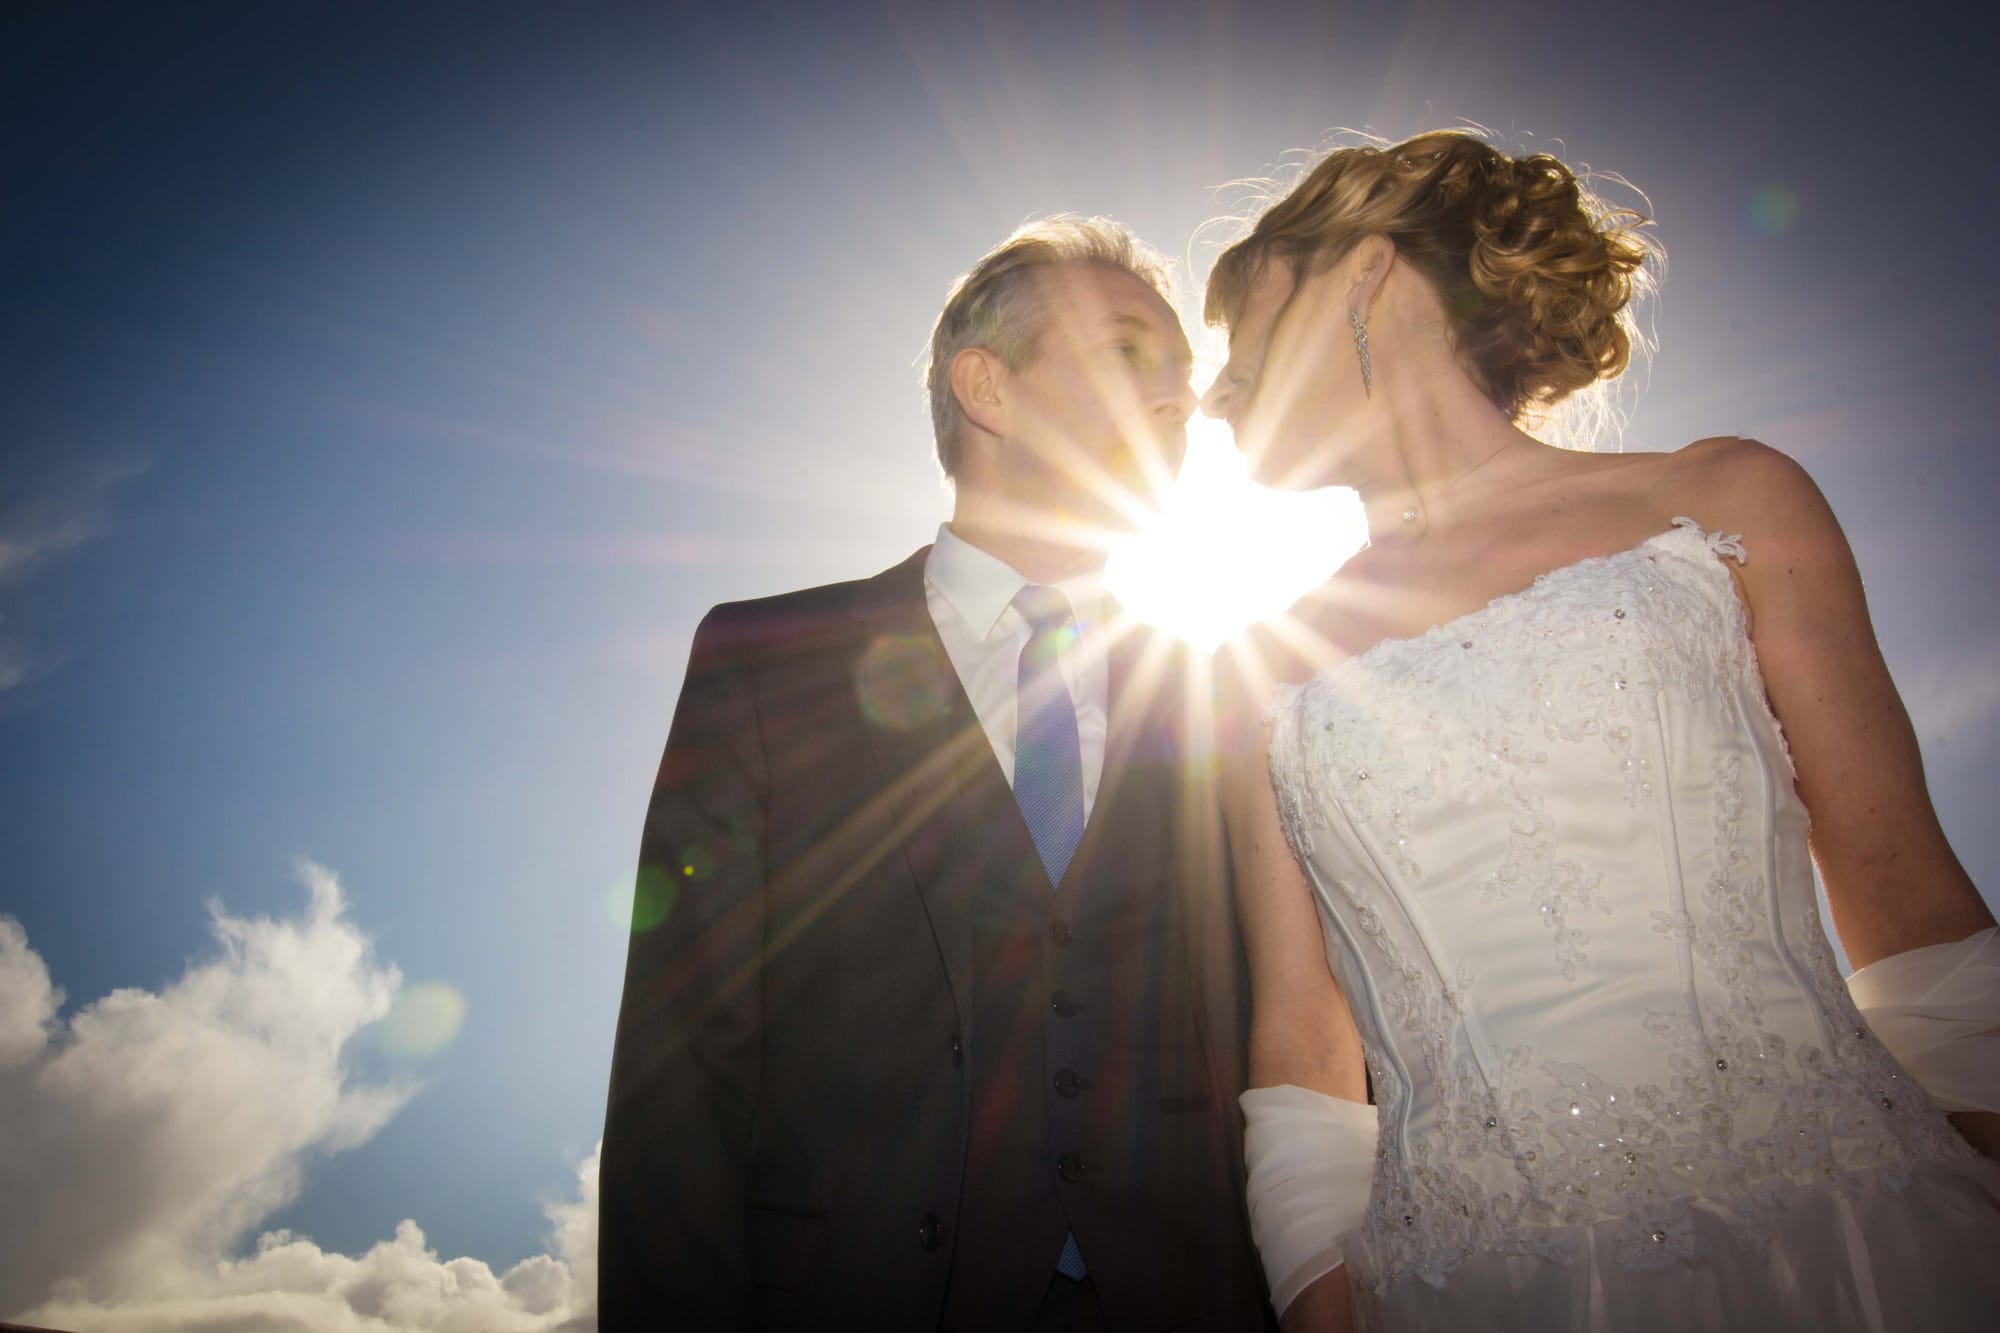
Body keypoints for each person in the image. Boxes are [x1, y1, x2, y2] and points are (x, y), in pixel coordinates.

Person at [1200, 131, 2000, 1332]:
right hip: (1464, 1284)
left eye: (1242, 327)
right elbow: (1302, 1038)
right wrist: (1315, 1294)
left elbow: (1902, 900)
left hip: (1849, 1245)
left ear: (1363, 269)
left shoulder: (1722, 500)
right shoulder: (1249, 667)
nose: (1215, 388)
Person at [599, 216, 1271, 1331]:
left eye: (1184, 376)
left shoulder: (1222, 691)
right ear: (986, 388)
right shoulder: (768, 662)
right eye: (1125, 354)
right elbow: (684, 1059)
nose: (1178, 400)